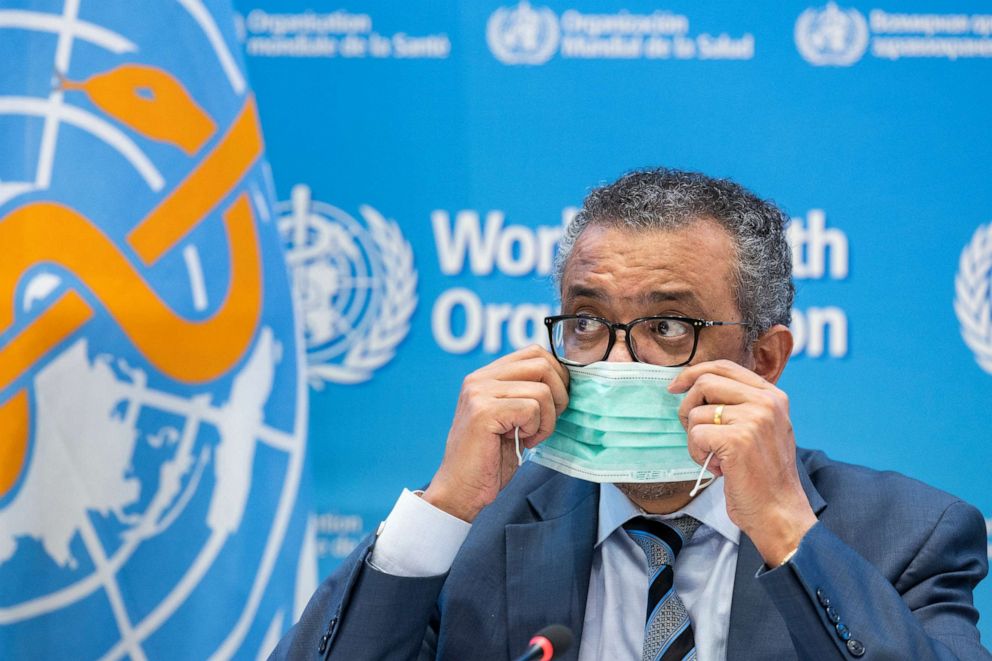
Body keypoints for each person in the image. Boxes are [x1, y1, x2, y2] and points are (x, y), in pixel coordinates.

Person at [272, 169, 991, 660]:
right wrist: (445, 506)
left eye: (668, 327)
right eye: (586, 322)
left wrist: (786, 529)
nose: (617, 362)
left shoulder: (905, 536)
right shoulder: (474, 541)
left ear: (765, 360)